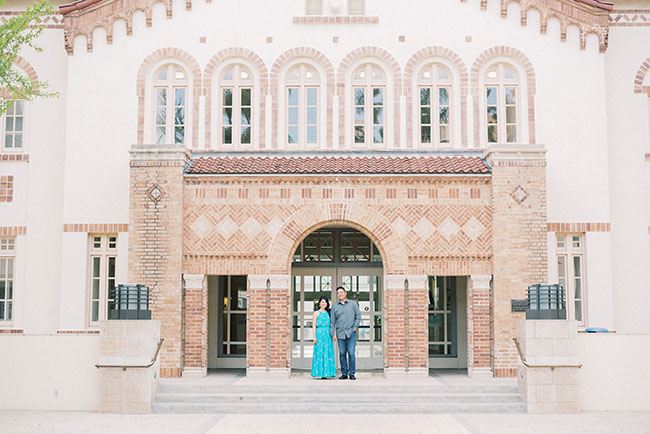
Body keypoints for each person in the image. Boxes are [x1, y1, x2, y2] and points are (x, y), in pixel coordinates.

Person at [330, 286, 361, 380]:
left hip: (351, 333)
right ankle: (344, 373)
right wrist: (332, 333)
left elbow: (358, 316)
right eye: (338, 293)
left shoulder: (353, 304)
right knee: (342, 353)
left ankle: (352, 373)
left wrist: (354, 328)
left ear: (345, 293)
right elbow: (332, 321)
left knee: (351, 353)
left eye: (341, 292)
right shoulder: (335, 306)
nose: (340, 294)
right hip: (340, 333)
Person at [310, 296, 337, 379]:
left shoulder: (329, 313)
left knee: (328, 352)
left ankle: (327, 373)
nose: (324, 303)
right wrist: (314, 336)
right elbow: (314, 325)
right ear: (319, 303)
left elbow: (332, 325)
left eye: (325, 302)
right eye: (322, 302)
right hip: (319, 334)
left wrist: (334, 335)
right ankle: (319, 373)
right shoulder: (316, 313)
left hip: (327, 334)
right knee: (319, 352)